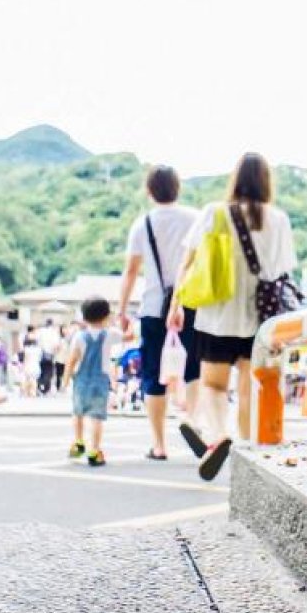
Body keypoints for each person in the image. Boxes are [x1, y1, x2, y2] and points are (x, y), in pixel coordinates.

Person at [168, 153, 297, 480]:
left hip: (217, 315)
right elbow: (283, 270)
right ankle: (247, 451)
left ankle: (218, 436)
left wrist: (175, 305)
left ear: (235, 179)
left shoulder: (214, 212)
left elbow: (188, 262)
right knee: (248, 386)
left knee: (213, 385)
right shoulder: (278, 219)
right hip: (261, 318)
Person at [119, 164, 203, 460]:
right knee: (194, 369)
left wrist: (122, 310)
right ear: (178, 188)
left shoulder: (143, 224)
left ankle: (159, 445)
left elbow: (131, 271)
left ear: (149, 190)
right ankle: (192, 422)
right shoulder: (195, 219)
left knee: (153, 375)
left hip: (154, 307)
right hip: (192, 305)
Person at [63, 297, 129, 466]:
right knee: (97, 417)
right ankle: (94, 450)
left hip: (81, 380)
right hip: (100, 381)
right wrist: (120, 320)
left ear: (84, 318)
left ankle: (78, 442)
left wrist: (64, 380)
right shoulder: (111, 334)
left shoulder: (79, 336)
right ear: (107, 316)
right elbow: (129, 336)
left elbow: (72, 360)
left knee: (78, 413)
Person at [36, 319, 61, 395]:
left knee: (41, 371)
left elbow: (37, 341)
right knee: (48, 371)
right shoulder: (54, 332)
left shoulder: (40, 331)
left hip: (40, 354)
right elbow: (56, 344)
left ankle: (40, 386)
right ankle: (46, 388)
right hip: (50, 354)